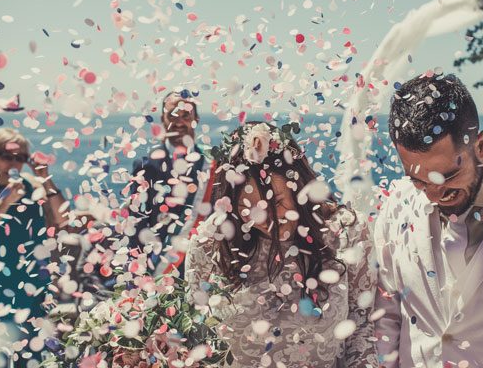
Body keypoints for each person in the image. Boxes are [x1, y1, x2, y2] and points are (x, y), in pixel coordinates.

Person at [185, 122, 378, 368]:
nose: (265, 221)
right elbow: (196, 333)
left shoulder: (347, 230)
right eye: (247, 208)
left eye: (275, 202)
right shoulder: (210, 243)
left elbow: (361, 324)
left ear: (299, 185)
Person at [374, 73, 483, 367]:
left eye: (448, 176)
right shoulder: (396, 206)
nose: (434, 194)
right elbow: (388, 312)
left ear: (481, 147)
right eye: (418, 180)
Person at [0, 128, 67, 367]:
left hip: (32, 281)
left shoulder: (33, 186)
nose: (14, 162)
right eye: (7, 155)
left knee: (32, 351)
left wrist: (45, 178)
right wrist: (5, 202)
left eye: (20, 157)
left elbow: (63, 219)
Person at [127, 89, 215, 277]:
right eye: (173, 115)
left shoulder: (212, 167)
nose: (179, 121)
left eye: (185, 115)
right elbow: (137, 226)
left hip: (200, 274)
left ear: (196, 119)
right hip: (158, 273)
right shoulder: (145, 166)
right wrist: (137, 279)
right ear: (162, 119)